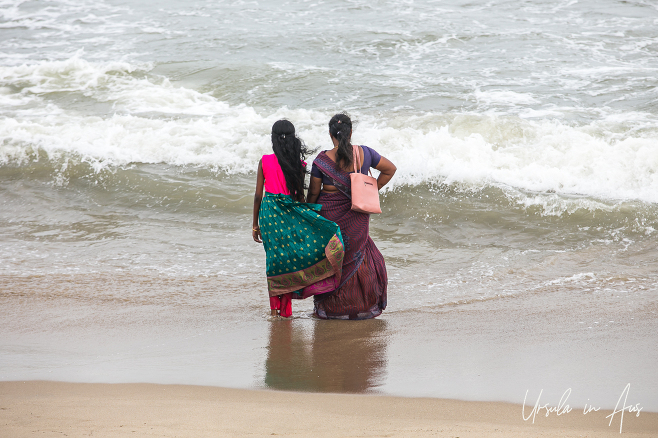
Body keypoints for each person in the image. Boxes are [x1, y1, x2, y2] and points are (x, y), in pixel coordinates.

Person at [307, 113, 396, 319]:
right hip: (357, 214)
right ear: (351, 132)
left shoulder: (321, 160)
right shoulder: (365, 153)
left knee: (333, 259)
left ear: (330, 134)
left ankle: (332, 309)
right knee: (358, 256)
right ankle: (362, 306)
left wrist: (308, 212)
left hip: (329, 218)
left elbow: (313, 193)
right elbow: (390, 169)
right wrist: (372, 191)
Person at [253, 120, 344, 318]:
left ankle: (274, 309)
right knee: (289, 258)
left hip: (269, 214)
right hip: (289, 212)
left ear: (273, 138)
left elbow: (258, 195)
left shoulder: (265, 160)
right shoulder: (298, 164)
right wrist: (308, 218)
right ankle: (286, 309)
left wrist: (254, 225)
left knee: (274, 260)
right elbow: (300, 197)